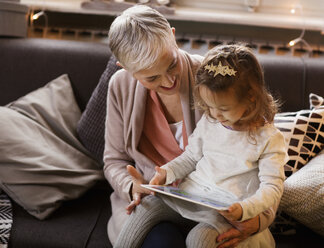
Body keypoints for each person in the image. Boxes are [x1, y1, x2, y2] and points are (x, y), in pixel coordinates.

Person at [104, 5, 278, 248]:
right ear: (125, 68)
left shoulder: (215, 79)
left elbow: (265, 162)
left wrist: (260, 219)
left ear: (173, 37)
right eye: (152, 78)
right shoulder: (119, 86)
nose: (168, 81)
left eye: (171, 65)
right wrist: (131, 186)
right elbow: (113, 160)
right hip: (157, 201)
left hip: (214, 203)